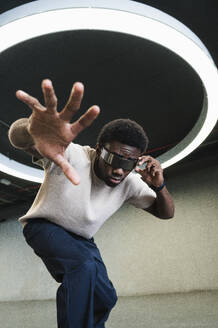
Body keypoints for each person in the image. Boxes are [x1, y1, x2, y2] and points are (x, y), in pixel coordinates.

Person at [8, 79, 174, 328]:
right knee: (83, 269)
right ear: (98, 149)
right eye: (112, 157)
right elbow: (16, 137)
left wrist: (159, 186)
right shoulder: (71, 153)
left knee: (106, 296)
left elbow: (166, 213)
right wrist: (32, 130)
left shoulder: (130, 182)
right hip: (44, 227)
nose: (118, 169)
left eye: (128, 163)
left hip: (83, 241)